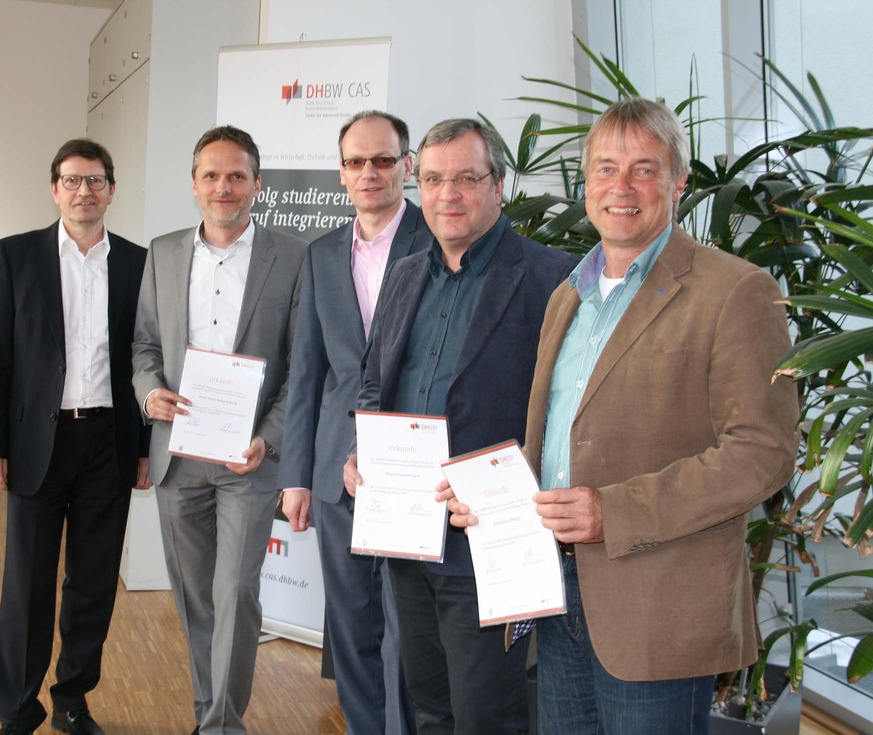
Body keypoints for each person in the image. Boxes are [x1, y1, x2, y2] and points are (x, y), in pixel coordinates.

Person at [446, 97, 799, 733]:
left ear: (678, 181)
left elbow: (762, 452)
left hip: (657, 606)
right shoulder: (568, 295)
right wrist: (494, 497)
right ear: (586, 182)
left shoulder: (736, 291)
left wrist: (616, 511)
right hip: (558, 593)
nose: (622, 187)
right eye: (606, 168)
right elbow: (557, 443)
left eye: (644, 168)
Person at [343, 118, 577, 735]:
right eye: (435, 179)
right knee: (429, 706)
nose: (448, 194)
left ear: (498, 185)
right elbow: (374, 381)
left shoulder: (553, 278)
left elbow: (573, 409)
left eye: (467, 179)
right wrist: (359, 452)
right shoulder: (406, 273)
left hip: (490, 539)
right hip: (407, 535)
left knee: (486, 715)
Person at [0, 138, 150, 735]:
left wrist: (146, 447)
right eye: (72, 181)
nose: (84, 191)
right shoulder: (14, 256)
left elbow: (147, 361)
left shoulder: (136, 262)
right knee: (27, 584)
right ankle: (17, 711)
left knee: (93, 583)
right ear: (54, 190)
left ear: (112, 191)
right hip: (34, 444)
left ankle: (72, 698)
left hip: (109, 441)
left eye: (95, 181)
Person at [132, 125, 307, 735]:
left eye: (237, 175)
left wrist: (269, 439)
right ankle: (212, 711)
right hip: (179, 458)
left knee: (235, 593)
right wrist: (149, 390)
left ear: (258, 184)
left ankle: (219, 726)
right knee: (195, 597)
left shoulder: (294, 257)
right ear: (194, 185)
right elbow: (144, 346)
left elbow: (302, 367)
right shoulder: (164, 251)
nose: (223, 186)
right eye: (211, 175)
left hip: (249, 461)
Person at [279, 110, 431, 735]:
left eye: (383, 160)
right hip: (335, 475)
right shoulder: (319, 255)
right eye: (355, 162)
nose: (369, 173)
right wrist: (296, 477)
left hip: (413, 472)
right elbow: (306, 374)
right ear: (340, 172)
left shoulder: (439, 242)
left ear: (408, 166)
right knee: (351, 628)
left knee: (408, 634)